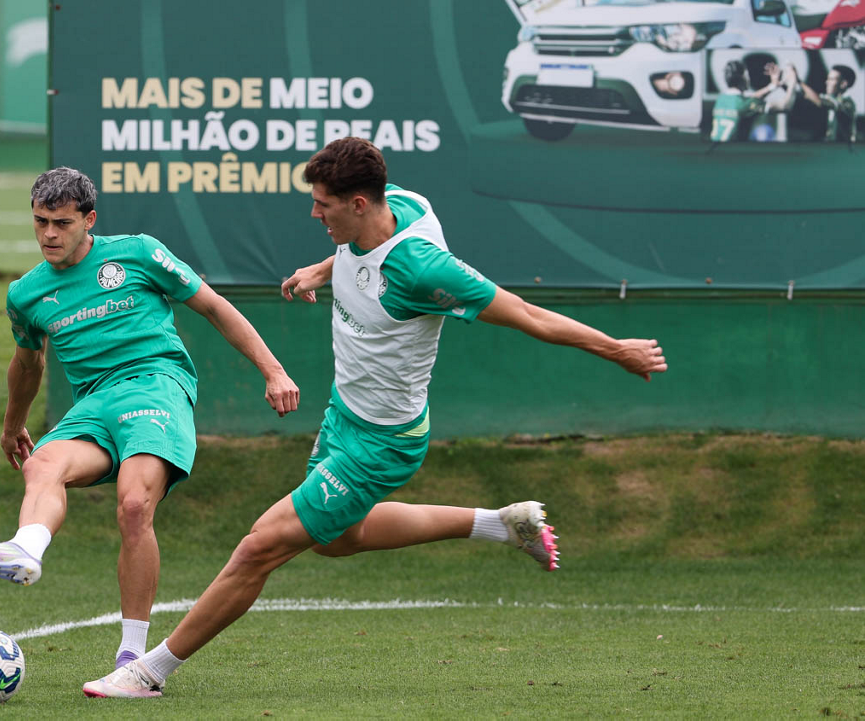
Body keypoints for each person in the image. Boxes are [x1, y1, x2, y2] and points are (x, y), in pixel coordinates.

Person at [82, 137, 668, 698]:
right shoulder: (396, 203)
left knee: (259, 547)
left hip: (382, 443)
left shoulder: (423, 269)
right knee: (336, 541)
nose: (315, 214)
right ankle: (501, 523)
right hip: (345, 416)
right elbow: (353, 251)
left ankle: (149, 671)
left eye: (323, 205)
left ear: (359, 203)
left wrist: (616, 348)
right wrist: (321, 271)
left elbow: (525, 314)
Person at [0, 167, 300, 671]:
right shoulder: (25, 293)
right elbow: (28, 363)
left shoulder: (137, 253)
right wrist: (11, 426)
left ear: (89, 220)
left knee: (134, 505)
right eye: (41, 221)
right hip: (93, 404)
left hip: (156, 384)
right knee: (42, 463)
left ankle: (133, 654)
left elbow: (214, 307)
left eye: (63, 223)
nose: (49, 233)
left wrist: (274, 371)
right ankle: (26, 550)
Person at [799, 64, 857, 143]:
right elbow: (805, 95)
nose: (827, 82)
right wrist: (787, 84)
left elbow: (820, 102)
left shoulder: (848, 103)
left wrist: (798, 81)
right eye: (828, 79)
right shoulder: (829, 98)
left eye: (831, 79)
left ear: (843, 84)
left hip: (845, 149)